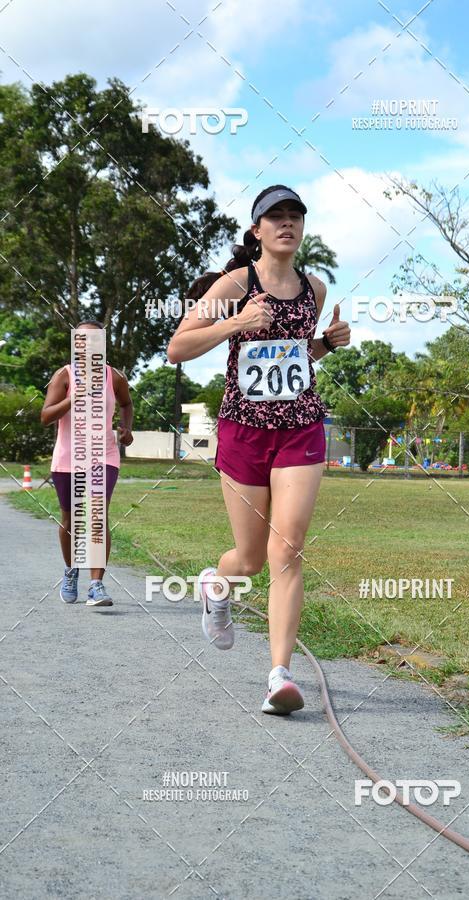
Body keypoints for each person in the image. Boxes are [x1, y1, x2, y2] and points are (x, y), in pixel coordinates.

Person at [168, 185, 350, 714]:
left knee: (287, 549)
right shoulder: (235, 285)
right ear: (257, 230)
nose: (286, 224)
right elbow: (178, 347)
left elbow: (295, 356)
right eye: (276, 217)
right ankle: (215, 585)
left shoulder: (313, 288)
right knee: (247, 560)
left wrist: (325, 345)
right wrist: (237, 322)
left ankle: (278, 677)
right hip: (244, 431)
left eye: (295, 216)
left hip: (300, 427)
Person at [41, 320, 134, 607]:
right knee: (70, 519)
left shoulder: (113, 376)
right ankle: (71, 571)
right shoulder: (64, 375)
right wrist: (73, 399)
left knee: (97, 516)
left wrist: (126, 428)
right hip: (69, 459)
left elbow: (126, 404)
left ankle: (96, 584)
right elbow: (46, 416)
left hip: (103, 456)